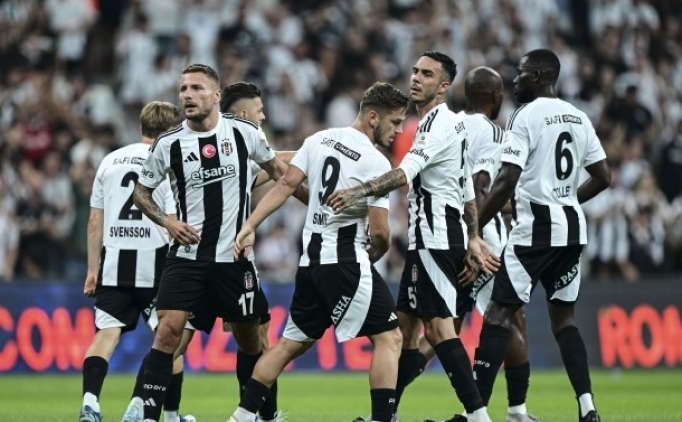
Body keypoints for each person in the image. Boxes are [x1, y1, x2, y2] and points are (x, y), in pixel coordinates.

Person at [327, 52, 496, 422]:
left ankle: (478, 415)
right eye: (416, 71)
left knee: (439, 330)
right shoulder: (448, 124)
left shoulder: (437, 125)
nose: (417, 78)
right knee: (403, 330)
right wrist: (472, 236)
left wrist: (358, 191)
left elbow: (404, 173)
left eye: (427, 74)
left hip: (435, 240)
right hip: (434, 240)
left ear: (444, 86)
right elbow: (466, 187)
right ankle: (386, 415)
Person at [226, 81, 409, 422]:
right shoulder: (376, 162)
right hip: (345, 263)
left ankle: (242, 415)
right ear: (373, 117)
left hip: (310, 264)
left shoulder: (319, 139)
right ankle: (383, 418)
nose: (399, 130)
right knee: (389, 338)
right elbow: (381, 232)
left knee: (289, 345)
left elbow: (284, 184)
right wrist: (378, 252)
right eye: (395, 121)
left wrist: (250, 224)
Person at [133, 64, 289, 422]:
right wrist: (168, 221)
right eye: (183, 88)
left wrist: (316, 206)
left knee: (251, 341)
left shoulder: (245, 132)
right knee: (167, 333)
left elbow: (281, 174)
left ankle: (264, 416)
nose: (188, 95)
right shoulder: (169, 143)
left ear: (217, 95)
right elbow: (141, 193)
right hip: (186, 258)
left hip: (234, 260)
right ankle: (149, 416)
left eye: (197, 88)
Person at [471, 49, 610, 422]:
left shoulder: (526, 115)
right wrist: (566, 200)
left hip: (535, 233)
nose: (514, 80)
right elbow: (603, 176)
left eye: (519, 73)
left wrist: (473, 227)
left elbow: (506, 180)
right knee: (564, 320)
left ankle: (475, 412)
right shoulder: (579, 116)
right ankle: (587, 407)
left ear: (536, 75)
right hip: (572, 232)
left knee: (498, 314)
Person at [412, 67, 540, 422]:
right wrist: (476, 240)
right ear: (497, 97)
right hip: (482, 238)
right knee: (510, 319)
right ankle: (514, 412)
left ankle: (387, 403)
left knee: (442, 331)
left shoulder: (448, 124)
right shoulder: (493, 132)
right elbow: (482, 187)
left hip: (441, 234)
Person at [79, 101, 195, 422]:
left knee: (106, 334)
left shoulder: (110, 160)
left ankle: (90, 403)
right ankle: (161, 411)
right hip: (156, 265)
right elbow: (173, 221)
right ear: (172, 131)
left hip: (114, 264)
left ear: (142, 126)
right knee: (169, 340)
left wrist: (92, 270)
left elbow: (94, 221)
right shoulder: (168, 163)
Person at [219, 81, 307, 422]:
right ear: (244, 115)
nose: (264, 117)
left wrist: (310, 151)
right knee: (179, 337)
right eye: (260, 111)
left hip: (237, 259)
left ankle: (264, 416)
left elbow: (272, 164)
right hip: (223, 257)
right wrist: (316, 202)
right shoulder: (242, 138)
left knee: (257, 336)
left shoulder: (232, 151)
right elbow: (279, 173)